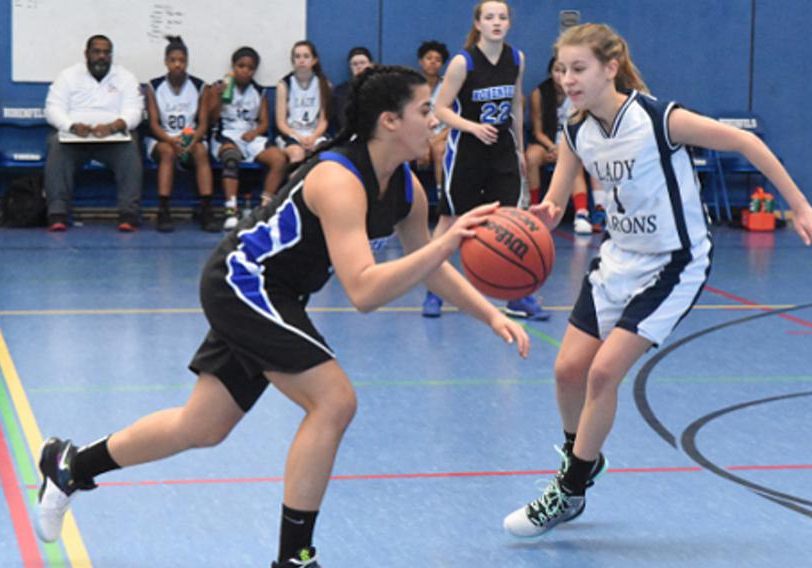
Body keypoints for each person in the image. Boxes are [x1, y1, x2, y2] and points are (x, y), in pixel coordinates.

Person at [33, 65, 530, 567]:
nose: (435, 121)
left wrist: (490, 314)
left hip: (276, 292)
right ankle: (294, 559)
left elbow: (431, 267)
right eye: (425, 111)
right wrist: (449, 240)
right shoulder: (339, 178)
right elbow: (362, 290)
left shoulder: (406, 189)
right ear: (390, 121)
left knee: (202, 426)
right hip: (244, 283)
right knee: (334, 402)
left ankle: (71, 464)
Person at [503, 22, 812, 538]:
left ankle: (568, 490)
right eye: (561, 70)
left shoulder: (660, 118)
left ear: (610, 68)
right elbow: (555, 196)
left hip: (673, 262)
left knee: (602, 374)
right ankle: (583, 459)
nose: (567, 79)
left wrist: (802, 209)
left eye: (579, 68)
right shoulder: (575, 129)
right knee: (568, 370)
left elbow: (746, 144)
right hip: (618, 260)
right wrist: (540, 217)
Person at [422, 0, 550, 321]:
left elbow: (517, 107)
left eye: (502, 17)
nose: (496, 22)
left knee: (510, 220)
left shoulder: (516, 58)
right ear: (478, 24)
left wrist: (520, 150)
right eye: (489, 17)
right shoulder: (463, 63)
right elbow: (441, 110)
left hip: (502, 149)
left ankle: (517, 295)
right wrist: (473, 127)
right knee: (450, 221)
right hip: (466, 149)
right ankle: (434, 289)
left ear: (509, 24)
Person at [44, 34, 144, 232]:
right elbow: (52, 109)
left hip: (112, 139)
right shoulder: (68, 76)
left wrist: (114, 126)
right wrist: (72, 126)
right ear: (86, 54)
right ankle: (57, 214)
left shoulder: (125, 78)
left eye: (107, 53)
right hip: (75, 138)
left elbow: (135, 111)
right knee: (56, 143)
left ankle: (128, 214)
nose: (102, 56)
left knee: (131, 145)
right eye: (97, 52)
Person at [208, 46, 288, 231]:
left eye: (250, 67)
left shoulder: (258, 92)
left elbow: (264, 123)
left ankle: (264, 207)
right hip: (226, 135)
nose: (245, 70)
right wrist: (218, 98)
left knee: (279, 159)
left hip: (250, 136)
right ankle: (231, 210)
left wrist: (254, 132)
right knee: (230, 159)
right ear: (233, 66)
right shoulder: (221, 86)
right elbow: (211, 118)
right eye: (241, 66)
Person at [144, 36, 217, 232]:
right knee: (167, 152)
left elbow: (202, 123)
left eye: (182, 60)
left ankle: (206, 209)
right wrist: (170, 139)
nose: (178, 64)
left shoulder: (200, 86)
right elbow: (153, 124)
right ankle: (164, 209)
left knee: (201, 151)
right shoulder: (154, 86)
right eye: (173, 60)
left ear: (187, 62)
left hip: (189, 137)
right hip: (163, 138)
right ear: (166, 62)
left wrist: (191, 139)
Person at [525, 57, 594, 234]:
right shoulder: (539, 93)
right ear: (550, 73)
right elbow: (538, 131)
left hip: (572, 142)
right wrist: (552, 148)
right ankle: (534, 208)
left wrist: (564, 149)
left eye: (565, 71)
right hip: (547, 142)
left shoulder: (580, 92)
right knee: (531, 156)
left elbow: (585, 126)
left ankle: (581, 213)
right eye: (557, 70)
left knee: (573, 162)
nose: (561, 76)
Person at [276, 41, 331, 167]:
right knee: (297, 154)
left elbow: (324, 120)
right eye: (297, 56)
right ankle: (297, 186)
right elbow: (281, 123)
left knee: (322, 154)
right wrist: (299, 137)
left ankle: (316, 186)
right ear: (293, 60)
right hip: (292, 134)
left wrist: (313, 137)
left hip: (315, 134)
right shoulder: (284, 84)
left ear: (314, 60)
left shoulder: (324, 84)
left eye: (306, 56)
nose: (301, 60)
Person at [414, 40, 450, 204]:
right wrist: (421, 143)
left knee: (439, 150)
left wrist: (432, 142)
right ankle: (404, 199)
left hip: (442, 136)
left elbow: (454, 122)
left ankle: (442, 197)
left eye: (438, 59)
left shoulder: (449, 87)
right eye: (429, 58)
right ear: (421, 62)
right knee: (401, 150)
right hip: (415, 135)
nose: (433, 62)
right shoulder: (411, 86)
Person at [330, 46, 373, 132]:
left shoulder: (381, 89)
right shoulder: (340, 91)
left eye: (363, 63)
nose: (359, 67)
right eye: (355, 64)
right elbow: (340, 118)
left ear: (371, 65)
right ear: (350, 67)